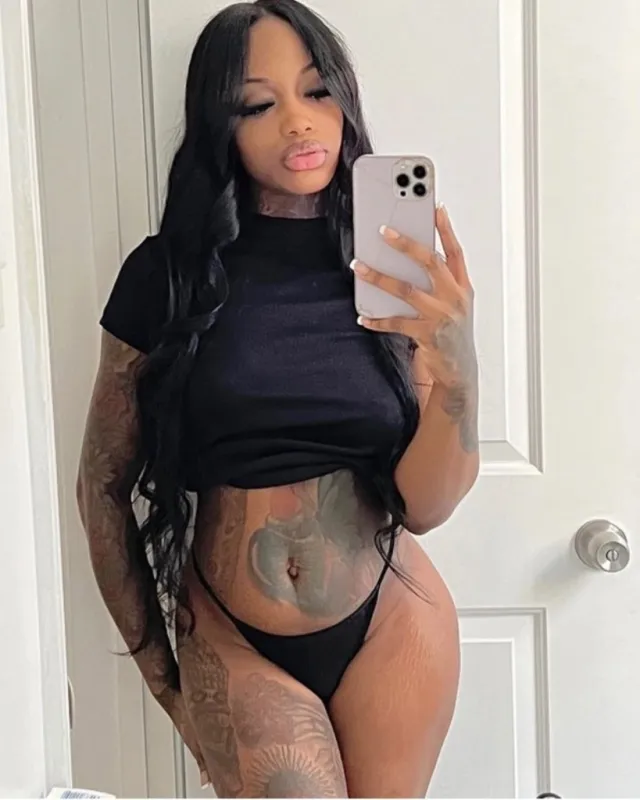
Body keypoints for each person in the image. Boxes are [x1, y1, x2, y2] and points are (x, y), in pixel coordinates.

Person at [76, 0, 479, 796]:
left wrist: (461, 372)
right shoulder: (166, 277)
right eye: (258, 105)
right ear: (220, 126)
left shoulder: (394, 270)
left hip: (394, 622)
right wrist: (167, 682)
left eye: (317, 90)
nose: (299, 121)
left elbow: (426, 508)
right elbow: (102, 487)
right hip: (233, 636)